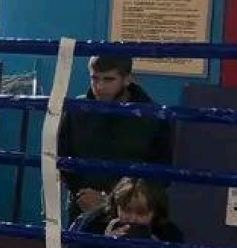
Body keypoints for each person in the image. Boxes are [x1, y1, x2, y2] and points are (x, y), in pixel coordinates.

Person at [56, 54, 173, 225]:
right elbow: (63, 157)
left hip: (131, 214)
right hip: (83, 208)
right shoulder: (76, 110)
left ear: (128, 79)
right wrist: (80, 193)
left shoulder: (154, 116)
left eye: (109, 79)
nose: (100, 86)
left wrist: (111, 200)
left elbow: (161, 172)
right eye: (94, 78)